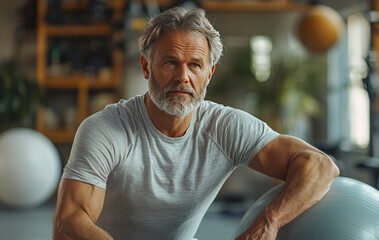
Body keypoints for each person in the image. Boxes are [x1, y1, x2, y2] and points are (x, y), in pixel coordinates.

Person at [53, 7, 339, 240]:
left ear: (209, 73)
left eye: (195, 65)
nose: (183, 77)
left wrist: (269, 222)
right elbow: (68, 224)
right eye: (169, 62)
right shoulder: (105, 129)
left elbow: (320, 165)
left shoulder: (224, 126)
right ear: (145, 67)